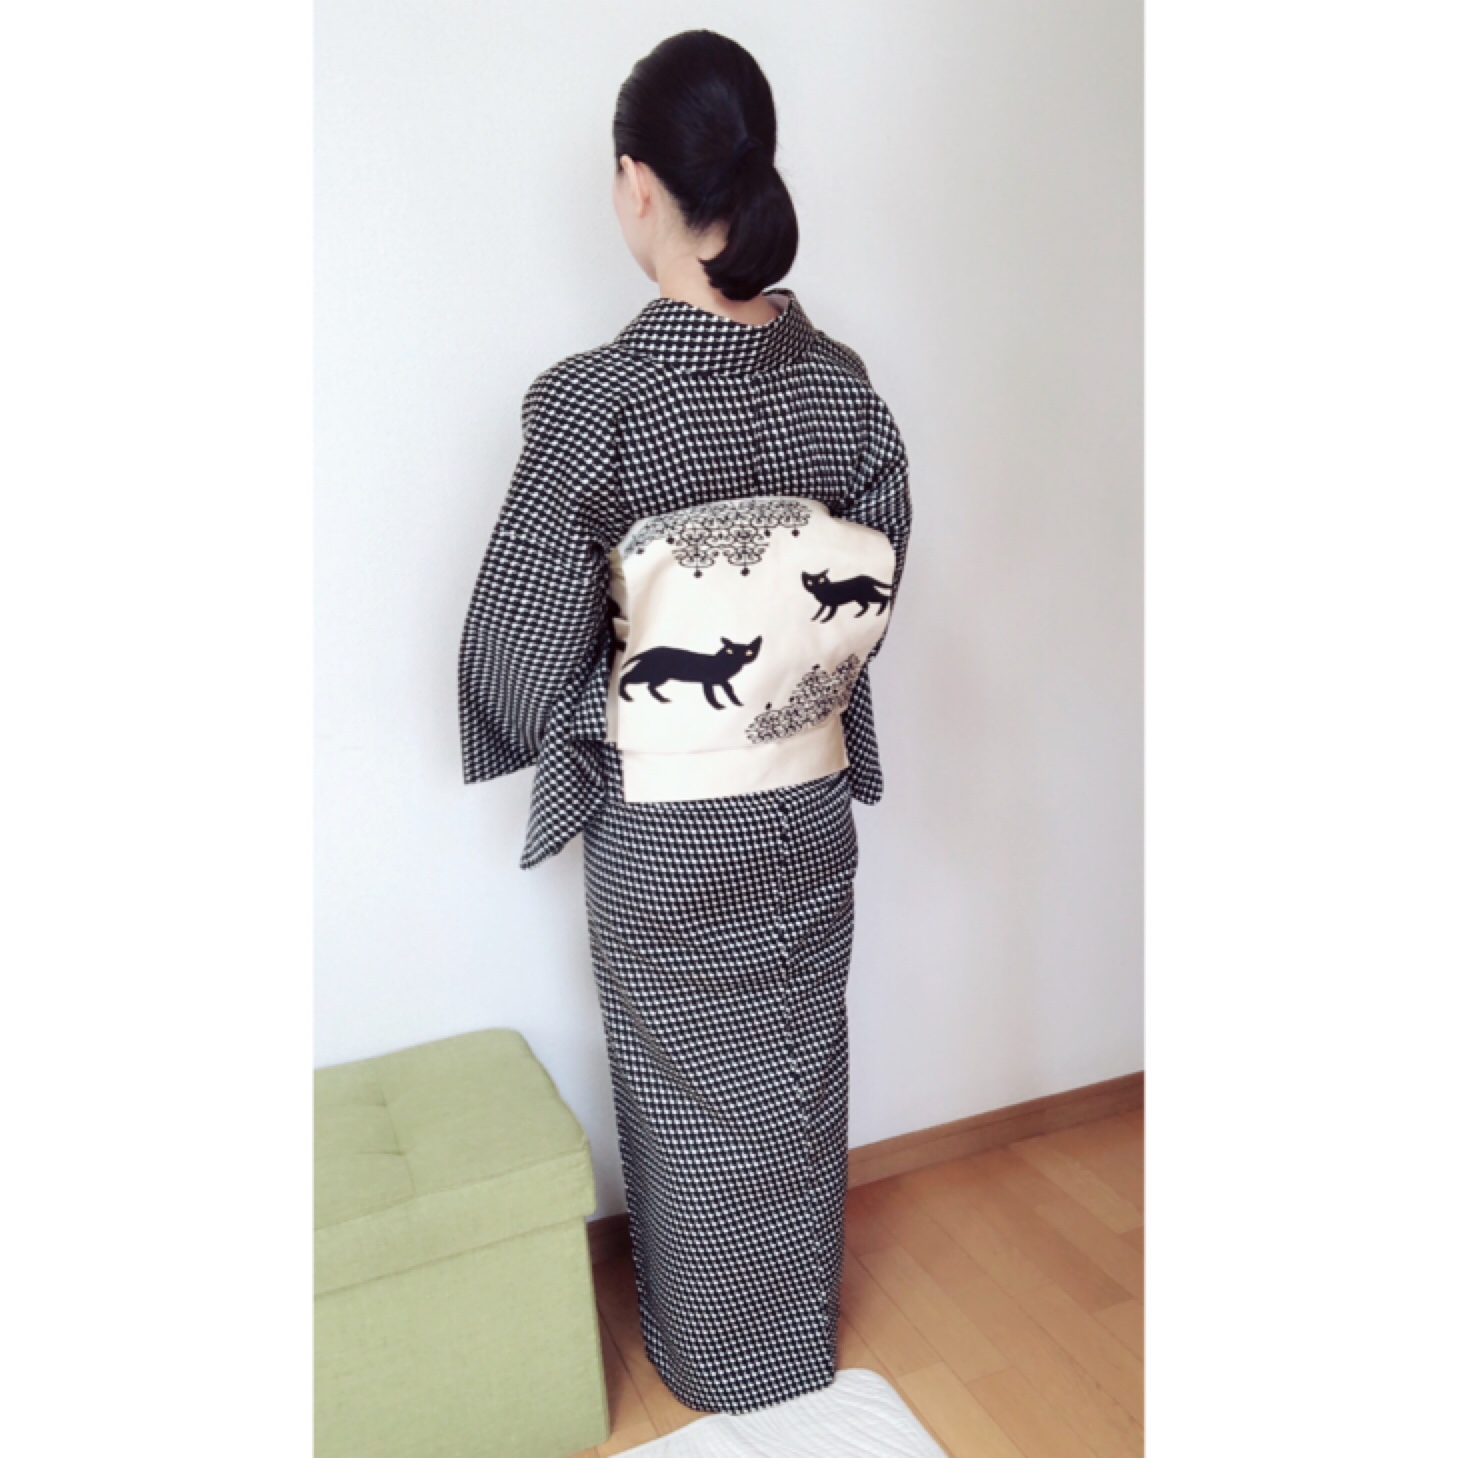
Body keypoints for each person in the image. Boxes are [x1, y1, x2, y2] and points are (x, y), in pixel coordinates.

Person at [457, 29, 913, 1414]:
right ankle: (790, 1341)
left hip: (663, 826)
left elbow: (519, 633)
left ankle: (712, 1355)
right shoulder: (843, 388)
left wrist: (570, 723)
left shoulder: (592, 405)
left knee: (683, 1086)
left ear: (636, 184)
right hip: (804, 803)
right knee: (796, 1066)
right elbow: (875, 578)